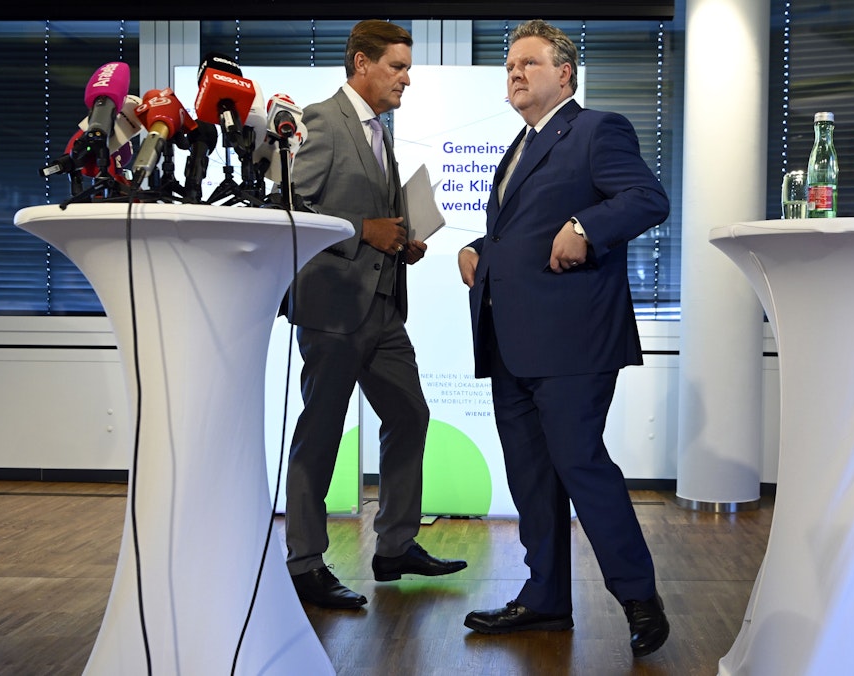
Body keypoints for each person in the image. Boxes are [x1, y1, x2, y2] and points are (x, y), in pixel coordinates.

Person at [457, 20, 670, 657]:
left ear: (564, 74)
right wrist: (478, 249)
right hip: (511, 340)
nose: (515, 72)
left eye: (528, 63)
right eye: (509, 65)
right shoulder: (519, 145)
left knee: (580, 463)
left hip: (574, 340)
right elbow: (522, 231)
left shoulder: (597, 130)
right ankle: (546, 598)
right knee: (530, 475)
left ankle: (639, 597)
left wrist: (585, 223)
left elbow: (646, 198)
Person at [283, 19, 466, 610]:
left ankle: (394, 546)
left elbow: (369, 213)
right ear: (361, 64)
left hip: (384, 308)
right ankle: (305, 562)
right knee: (321, 434)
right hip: (333, 307)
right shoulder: (320, 120)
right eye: (397, 67)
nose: (406, 79)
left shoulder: (380, 131)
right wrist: (366, 230)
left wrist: (400, 239)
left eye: (407, 68)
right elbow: (292, 203)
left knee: (410, 415)